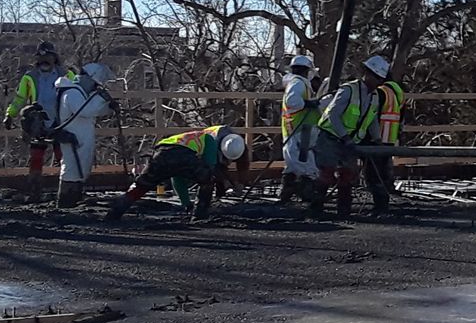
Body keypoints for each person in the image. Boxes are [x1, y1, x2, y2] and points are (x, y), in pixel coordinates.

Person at [107, 126, 249, 222]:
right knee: (207, 179)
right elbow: (212, 170)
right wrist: (224, 185)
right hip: (183, 154)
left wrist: (186, 203)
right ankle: (200, 215)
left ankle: (115, 211)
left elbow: (177, 177)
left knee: (142, 185)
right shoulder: (209, 140)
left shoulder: (190, 138)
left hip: (161, 152)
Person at [310, 54, 390, 218]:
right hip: (330, 137)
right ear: (367, 74)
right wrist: (345, 137)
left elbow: (372, 118)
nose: (377, 82)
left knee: (347, 174)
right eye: (375, 78)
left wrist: (377, 140)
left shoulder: (374, 96)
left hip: (350, 141)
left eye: (380, 79)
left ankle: (343, 211)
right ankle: (315, 209)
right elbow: (333, 115)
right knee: (326, 172)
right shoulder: (348, 90)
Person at [3, 41, 63, 201]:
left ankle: (66, 190)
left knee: (63, 156)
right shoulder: (30, 77)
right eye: (41, 57)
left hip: (61, 120)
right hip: (38, 121)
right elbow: (20, 98)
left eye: (48, 57)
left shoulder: (65, 74)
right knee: (36, 156)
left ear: (54, 58)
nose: (44, 60)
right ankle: (34, 190)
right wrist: (10, 114)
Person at [52, 62, 117, 209]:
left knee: (79, 168)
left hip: (79, 138)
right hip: (74, 139)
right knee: (72, 169)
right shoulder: (72, 93)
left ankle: (73, 198)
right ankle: (66, 200)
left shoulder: (76, 92)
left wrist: (108, 107)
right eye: (94, 85)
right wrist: (100, 98)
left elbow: (90, 111)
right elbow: (85, 110)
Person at [279, 54, 322, 204]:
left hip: (297, 128)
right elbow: (292, 101)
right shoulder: (298, 84)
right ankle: (305, 192)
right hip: (297, 128)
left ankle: (289, 191)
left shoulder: (299, 83)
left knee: (294, 162)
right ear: (307, 70)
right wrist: (308, 104)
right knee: (303, 162)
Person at [363, 71, 405, 216]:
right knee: (383, 172)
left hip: (378, 137)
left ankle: (380, 205)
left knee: (373, 173)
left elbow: (371, 114)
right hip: (390, 137)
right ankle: (383, 202)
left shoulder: (380, 92)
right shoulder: (397, 91)